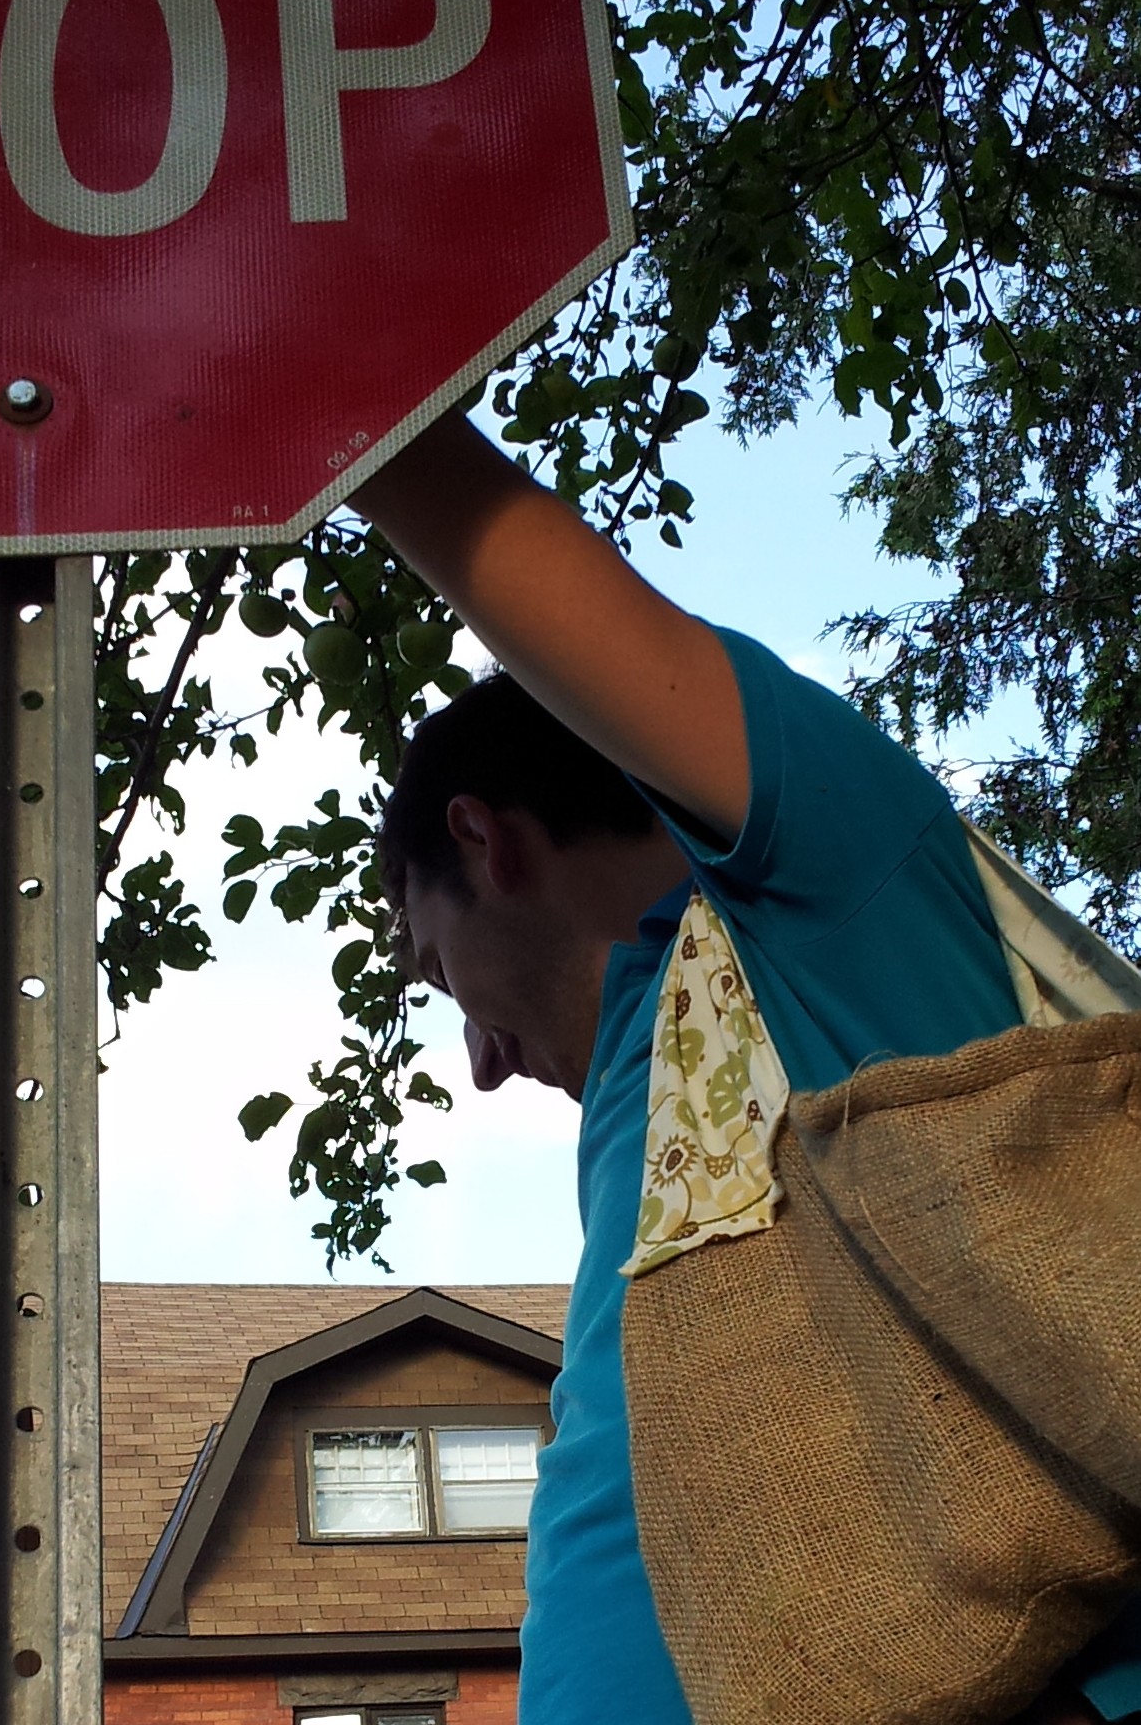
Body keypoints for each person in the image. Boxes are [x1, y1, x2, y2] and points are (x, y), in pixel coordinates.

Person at [351, 407, 1140, 1725]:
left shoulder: (818, 897)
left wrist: (316, 395)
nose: (477, 1063)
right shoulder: (651, 1085)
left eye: (438, 974)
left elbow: (501, 544)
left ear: (485, 841)